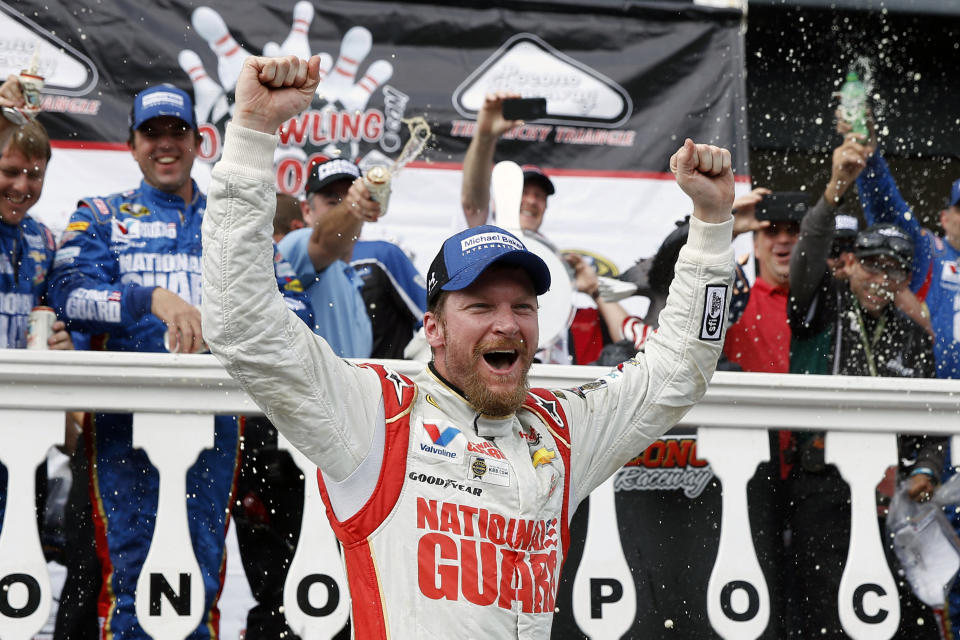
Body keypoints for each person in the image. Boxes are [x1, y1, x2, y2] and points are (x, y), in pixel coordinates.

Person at [201, 54, 735, 637]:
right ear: (432, 328)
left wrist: (710, 224)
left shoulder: (561, 432)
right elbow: (239, 323)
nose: (507, 324)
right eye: (480, 306)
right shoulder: (377, 417)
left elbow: (681, 365)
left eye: (522, 306)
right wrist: (252, 134)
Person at [48, 83, 310, 640]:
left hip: (214, 425)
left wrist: (227, 324)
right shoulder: (99, 214)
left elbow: (297, 310)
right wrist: (151, 300)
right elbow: (69, 295)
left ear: (198, 141)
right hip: (122, 428)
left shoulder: (233, 223)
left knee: (201, 572)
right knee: (128, 575)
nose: (165, 145)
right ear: (132, 143)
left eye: (177, 133)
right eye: (152, 134)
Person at [785, 134, 942, 638]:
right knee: (825, 611)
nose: (882, 277)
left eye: (893, 269)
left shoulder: (913, 337)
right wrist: (834, 190)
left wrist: (926, 469)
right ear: (851, 264)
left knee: (902, 615)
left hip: (890, 495)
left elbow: (933, 421)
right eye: (873, 264)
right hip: (822, 483)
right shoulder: (820, 304)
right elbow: (807, 255)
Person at [460, 92, 631, 364]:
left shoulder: (554, 266)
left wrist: (593, 287)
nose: (531, 200)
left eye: (539, 196)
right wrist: (484, 136)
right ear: (502, 198)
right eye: (523, 191)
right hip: (494, 365)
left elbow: (629, 340)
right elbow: (472, 203)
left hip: (551, 379)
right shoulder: (485, 238)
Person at [277, 157, 374, 358]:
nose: (346, 209)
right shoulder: (294, 244)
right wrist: (353, 206)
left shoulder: (349, 274)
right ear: (306, 211)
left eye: (350, 198)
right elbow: (326, 243)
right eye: (332, 201)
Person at [350, 238, 428, 359]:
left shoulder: (381, 255)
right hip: (332, 373)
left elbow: (431, 321)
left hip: (386, 372)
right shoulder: (311, 268)